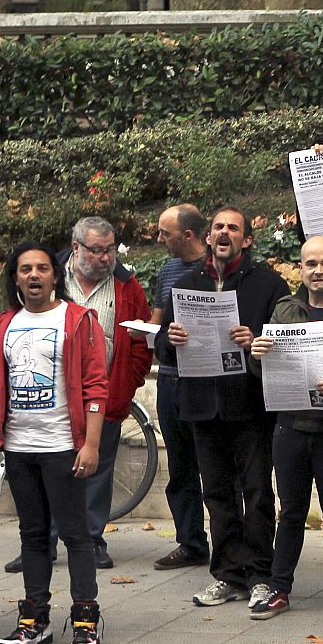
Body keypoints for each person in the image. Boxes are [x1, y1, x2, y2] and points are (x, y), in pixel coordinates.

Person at [0, 243, 108, 644]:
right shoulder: (6, 323)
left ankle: (85, 619)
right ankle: (34, 619)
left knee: (75, 534)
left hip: (62, 447)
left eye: (42, 268)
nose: (33, 275)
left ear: (55, 276)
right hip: (19, 448)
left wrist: (90, 444)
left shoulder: (78, 319)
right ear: (15, 279)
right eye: (25, 269)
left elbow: (96, 387)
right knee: (32, 535)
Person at [157, 206, 289, 610]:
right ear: (208, 236)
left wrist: (257, 339)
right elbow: (161, 347)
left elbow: (287, 342)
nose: (224, 233)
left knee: (257, 493)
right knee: (215, 494)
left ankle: (261, 575)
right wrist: (172, 338)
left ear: (246, 239)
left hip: (250, 406)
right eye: (218, 227)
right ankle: (228, 574)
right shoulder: (187, 284)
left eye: (233, 228)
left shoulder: (268, 284)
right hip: (202, 406)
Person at [4, 217, 149, 574]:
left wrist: (126, 385)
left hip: (106, 395)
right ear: (76, 247)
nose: (105, 257)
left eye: (110, 249)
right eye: (96, 250)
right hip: (51, 398)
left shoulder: (126, 285)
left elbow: (142, 340)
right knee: (47, 474)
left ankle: (93, 539)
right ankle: (42, 543)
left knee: (97, 470)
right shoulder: (50, 275)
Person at [247, 237, 323, 622]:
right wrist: (257, 356)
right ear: (301, 268)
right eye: (311, 264)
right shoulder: (285, 310)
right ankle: (279, 588)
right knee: (290, 512)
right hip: (290, 427)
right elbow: (266, 372)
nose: (318, 270)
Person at [149, 205, 210, 571]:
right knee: (181, 466)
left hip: (206, 380)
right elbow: (158, 321)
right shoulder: (168, 271)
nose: (159, 239)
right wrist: (150, 333)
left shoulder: (215, 269)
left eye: (165, 233)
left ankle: (234, 544)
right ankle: (190, 542)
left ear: (187, 235)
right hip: (170, 378)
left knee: (217, 467)